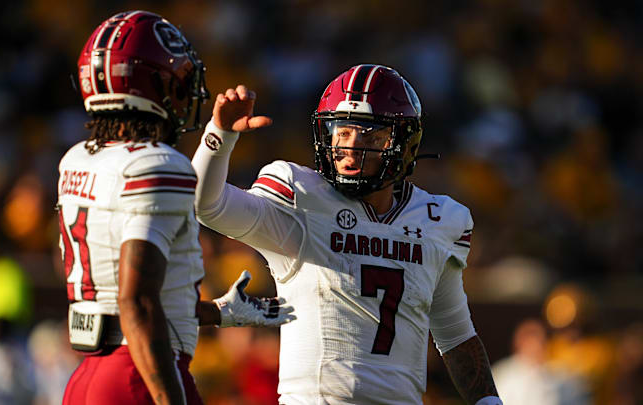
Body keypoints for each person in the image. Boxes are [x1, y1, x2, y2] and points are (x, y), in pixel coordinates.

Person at [192, 64, 502, 404]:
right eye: (342, 132)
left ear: (403, 144)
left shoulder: (439, 220)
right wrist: (219, 134)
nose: (351, 147)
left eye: (370, 136)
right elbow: (206, 205)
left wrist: (489, 401)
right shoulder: (301, 199)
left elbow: (455, 335)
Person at [58, 11, 293, 405]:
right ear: (154, 85)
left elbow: (118, 302)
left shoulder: (78, 159)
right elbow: (137, 302)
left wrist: (214, 312)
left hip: (85, 377)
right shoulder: (157, 165)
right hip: (139, 375)